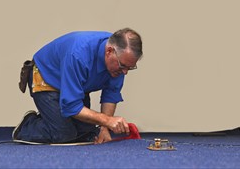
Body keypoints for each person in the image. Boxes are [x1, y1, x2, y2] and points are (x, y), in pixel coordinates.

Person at [12, 28, 143, 144]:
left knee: (87, 132)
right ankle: (27, 126)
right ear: (109, 51)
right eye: (123, 66)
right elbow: (71, 106)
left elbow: (110, 94)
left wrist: (104, 128)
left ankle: (53, 118)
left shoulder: (120, 62)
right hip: (46, 79)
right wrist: (107, 120)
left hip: (74, 88)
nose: (125, 72)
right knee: (63, 135)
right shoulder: (78, 55)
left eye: (130, 68)